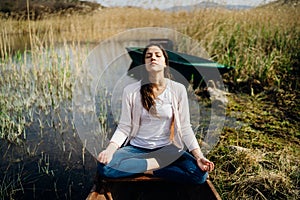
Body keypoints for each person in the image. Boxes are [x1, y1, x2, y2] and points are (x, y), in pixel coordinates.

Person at [93, 43, 214, 193]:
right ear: (144, 64)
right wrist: (110, 150)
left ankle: (148, 168)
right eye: (148, 56)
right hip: (136, 149)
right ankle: (155, 165)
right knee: (105, 169)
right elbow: (124, 127)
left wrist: (199, 156)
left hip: (168, 149)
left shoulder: (178, 89)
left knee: (199, 175)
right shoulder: (131, 91)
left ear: (165, 62)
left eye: (158, 55)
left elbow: (185, 127)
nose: (153, 58)